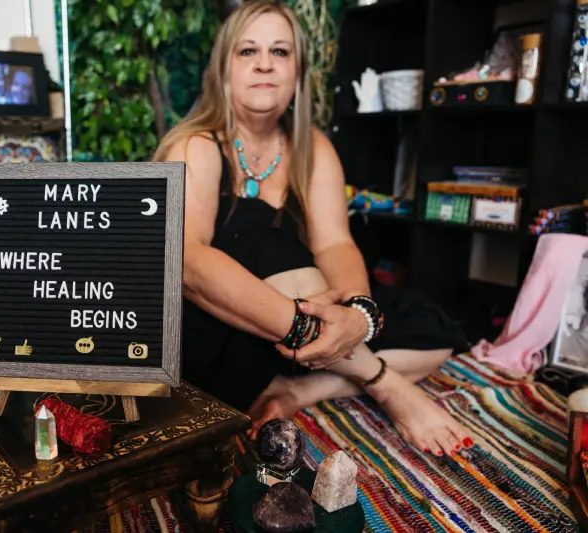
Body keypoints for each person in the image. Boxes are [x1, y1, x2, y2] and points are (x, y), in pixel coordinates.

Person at [153, 0, 472, 457]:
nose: (264, 63)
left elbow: (335, 243)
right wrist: (318, 326)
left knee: (434, 330)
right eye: (248, 52)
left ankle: (296, 391)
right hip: (214, 339)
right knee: (264, 235)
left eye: (280, 52)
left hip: (289, 339)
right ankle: (383, 383)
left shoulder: (313, 147)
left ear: (299, 72)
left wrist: (355, 316)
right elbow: (190, 264)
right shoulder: (197, 146)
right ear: (223, 70)